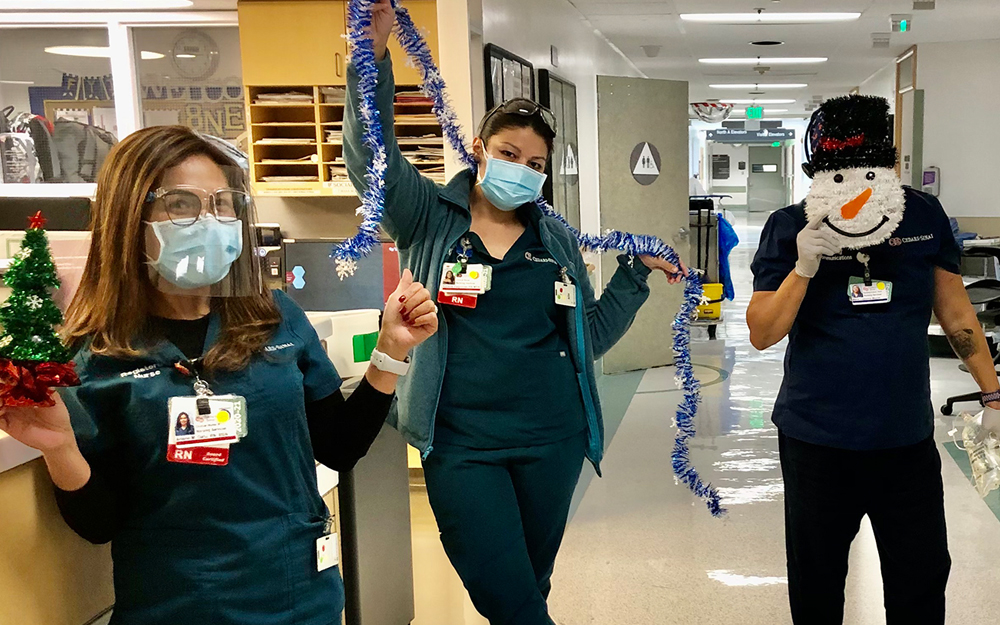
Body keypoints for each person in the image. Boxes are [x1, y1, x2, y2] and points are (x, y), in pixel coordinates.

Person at [0, 126, 439, 625]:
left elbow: (337, 446)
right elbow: (100, 522)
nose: (210, 222)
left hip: (300, 596)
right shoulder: (95, 356)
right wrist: (60, 448)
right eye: (182, 205)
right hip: (180, 605)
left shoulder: (274, 318)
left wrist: (389, 352)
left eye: (224, 205)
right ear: (130, 217)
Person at [343, 3, 686, 623]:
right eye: (509, 152)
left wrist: (634, 279)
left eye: (536, 164)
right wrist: (368, 57)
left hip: (552, 441)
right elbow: (373, 157)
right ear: (478, 149)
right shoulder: (428, 216)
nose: (523, 170)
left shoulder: (551, 241)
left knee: (527, 589)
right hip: (461, 445)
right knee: (508, 595)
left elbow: (588, 337)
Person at [747, 95, 1000, 625]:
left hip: (904, 440)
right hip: (816, 439)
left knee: (921, 581)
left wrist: (993, 391)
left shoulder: (924, 216)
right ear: (817, 171)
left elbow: (956, 315)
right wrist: (803, 266)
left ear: (889, 164)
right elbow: (763, 333)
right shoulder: (789, 226)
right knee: (816, 586)